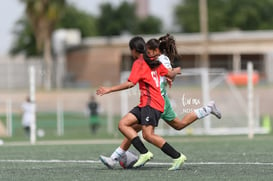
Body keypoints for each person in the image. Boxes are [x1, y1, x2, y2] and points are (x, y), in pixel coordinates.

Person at [99, 34, 222, 170]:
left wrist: (173, 73)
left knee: (143, 132)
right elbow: (168, 74)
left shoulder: (154, 60)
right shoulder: (156, 59)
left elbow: (158, 75)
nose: (150, 52)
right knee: (140, 128)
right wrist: (172, 74)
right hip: (155, 100)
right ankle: (207, 109)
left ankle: (140, 155)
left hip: (157, 100)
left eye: (151, 50)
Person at [96, 36, 185, 171]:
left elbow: (131, 83)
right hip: (147, 103)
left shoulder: (140, 62)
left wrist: (109, 89)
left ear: (133, 50)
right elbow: (170, 75)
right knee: (123, 124)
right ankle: (137, 154)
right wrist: (176, 70)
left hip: (152, 103)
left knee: (148, 135)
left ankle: (176, 157)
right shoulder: (153, 60)